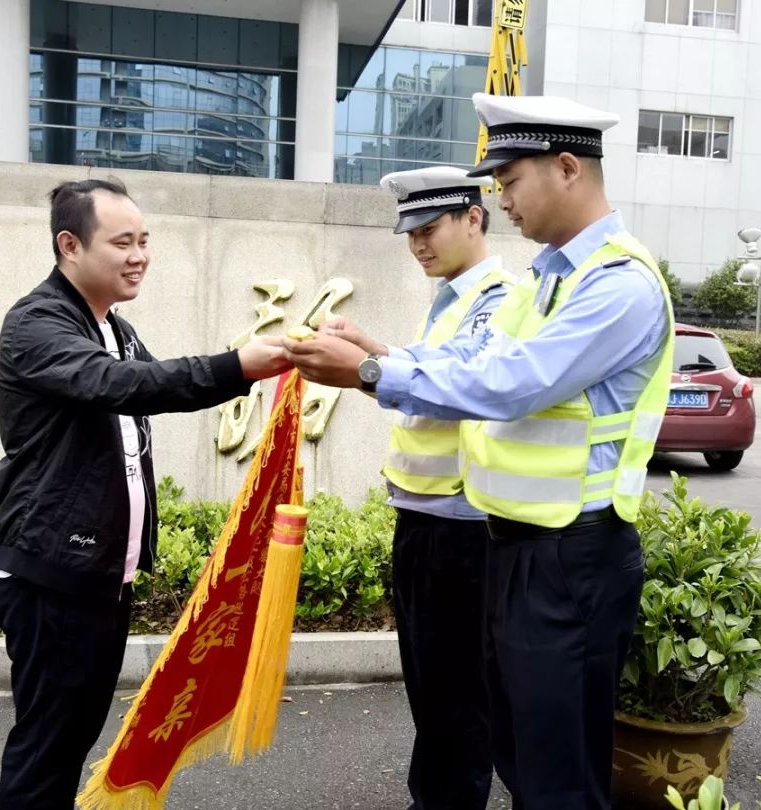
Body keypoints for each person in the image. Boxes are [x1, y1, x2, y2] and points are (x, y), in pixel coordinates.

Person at [284, 94, 675, 810]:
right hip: (518, 545)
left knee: (557, 777)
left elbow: (512, 380)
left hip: (574, 553)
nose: (501, 201)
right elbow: (475, 366)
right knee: (518, 753)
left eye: (509, 180)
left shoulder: (618, 283)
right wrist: (380, 357)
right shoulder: (547, 279)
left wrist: (371, 372)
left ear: (565, 168)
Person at [0, 178, 289, 809]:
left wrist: (287, 353)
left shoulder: (112, 327)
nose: (139, 255)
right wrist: (239, 364)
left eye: (144, 241)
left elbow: (159, 383)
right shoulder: (37, 323)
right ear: (69, 245)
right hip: (51, 572)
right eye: (122, 242)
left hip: (98, 573)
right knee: (48, 742)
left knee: (69, 738)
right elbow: (119, 385)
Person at [340, 166, 512, 810]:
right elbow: (432, 363)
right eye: (409, 232)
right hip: (423, 521)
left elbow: (463, 377)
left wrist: (368, 365)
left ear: (474, 218)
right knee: (432, 688)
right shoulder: (452, 298)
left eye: (430, 228)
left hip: (464, 530)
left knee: (458, 695)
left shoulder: (498, 296)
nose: (418, 245)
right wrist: (375, 347)